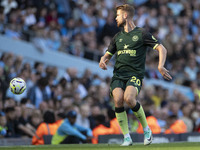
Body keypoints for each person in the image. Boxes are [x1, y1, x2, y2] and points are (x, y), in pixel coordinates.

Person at [99, 4, 172, 146]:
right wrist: (103, 61)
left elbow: (162, 48)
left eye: (118, 15)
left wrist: (160, 65)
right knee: (118, 99)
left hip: (135, 74)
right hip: (118, 75)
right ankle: (127, 137)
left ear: (125, 16)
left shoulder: (142, 34)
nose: (116, 18)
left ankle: (146, 130)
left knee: (129, 99)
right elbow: (106, 55)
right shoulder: (117, 37)